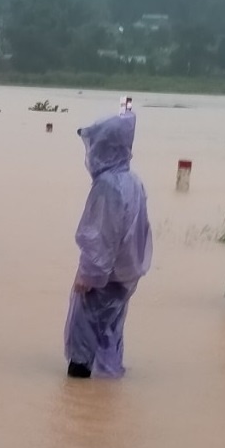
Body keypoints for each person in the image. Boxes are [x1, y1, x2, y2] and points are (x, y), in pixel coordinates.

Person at [64, 111, 153, 378]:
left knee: (83, 342)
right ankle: (103, 401)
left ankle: (80, 406)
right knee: (109, 332)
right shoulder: (132, 181)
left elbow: (101, 236)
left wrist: (88, 276)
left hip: (104, 277)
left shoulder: (108, 186)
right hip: (124, 275)